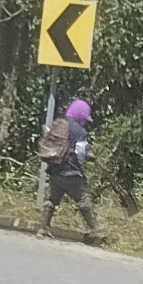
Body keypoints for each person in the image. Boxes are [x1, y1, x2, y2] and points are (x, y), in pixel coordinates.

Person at [37, 95, 103, 241]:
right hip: (71, 172)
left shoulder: (60, 125)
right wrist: (89, 157)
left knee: (52, 200)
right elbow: (80, 153)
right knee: (83, 199)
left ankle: (43, 228)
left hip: (55, 171)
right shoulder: (79, 130)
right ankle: (95, 230)